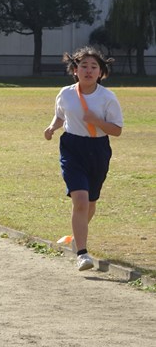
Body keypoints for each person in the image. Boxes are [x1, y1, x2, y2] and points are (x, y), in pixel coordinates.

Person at [44, 46, 123, 271]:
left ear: (101, 72)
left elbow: (116, 130)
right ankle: (82, 253)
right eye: (83, 66)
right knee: (79, 199)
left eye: (94, 67)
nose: (88, 70)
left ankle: (76, 238)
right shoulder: (66, 93)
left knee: (90, 202)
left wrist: (97, 120)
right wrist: (52, 127)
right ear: (75, 70)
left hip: (98, 149)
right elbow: (60, 115)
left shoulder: (107, 97)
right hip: (72, 147)